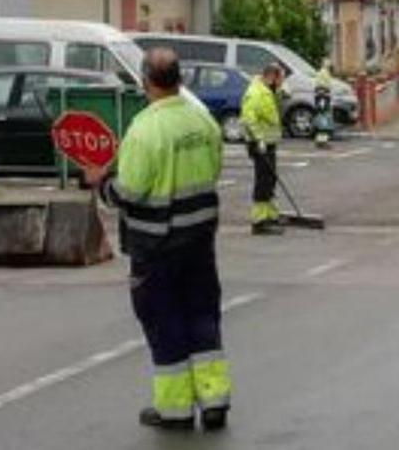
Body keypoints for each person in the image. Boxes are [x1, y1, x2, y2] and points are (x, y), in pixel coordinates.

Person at [84, 48, 230, 431]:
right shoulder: (203, 122)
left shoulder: (144, 130)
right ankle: (215, 401)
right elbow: (213, 170)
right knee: (202, 316)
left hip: (158, 245)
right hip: (200, 238)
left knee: (164, 323)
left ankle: (176, 409)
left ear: (146, 81)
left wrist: (102, 182)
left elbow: (128, 192)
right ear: (179, 79)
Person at [241, 63, 286, 235]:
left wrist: (280, 92)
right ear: (272, 77)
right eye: (280, 78)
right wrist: (258, 139)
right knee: (263, 181)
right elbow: (248, 119)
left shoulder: (269, 91)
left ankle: (271, 215)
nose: (281, 82)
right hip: (259, 144)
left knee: (271, 179)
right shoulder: (255, 93)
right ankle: (259, 221)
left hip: (269, 143)